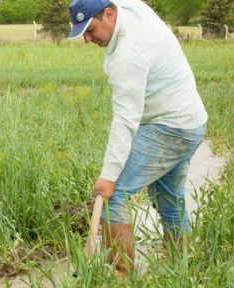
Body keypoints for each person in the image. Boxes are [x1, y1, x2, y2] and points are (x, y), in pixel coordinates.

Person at [68, 0, 208, 276]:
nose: (87, 39)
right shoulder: (130, 9)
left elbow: (125, 119)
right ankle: (182, 269)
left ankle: (121, 277)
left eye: (91, 30)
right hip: (190, 122)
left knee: (115, 194)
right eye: (83, 32)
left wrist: (108, 177)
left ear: (109, 14)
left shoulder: (128, 54)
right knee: (169, 198)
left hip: (169, 127)